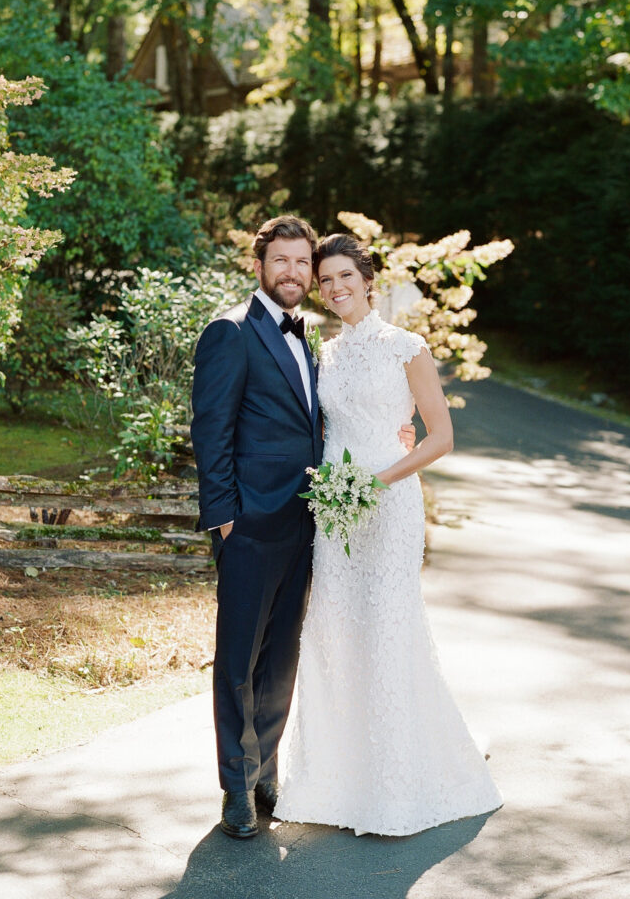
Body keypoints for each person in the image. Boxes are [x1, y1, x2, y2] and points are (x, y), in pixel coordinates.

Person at [190, 216, 415, 840]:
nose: (292, 273)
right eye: (280, 261)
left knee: (281, 656)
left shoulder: (311, 337)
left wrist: (396, 431)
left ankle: (265, 769)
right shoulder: (230, 333)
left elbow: (325, 421)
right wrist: (226, 518)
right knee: (238, 657)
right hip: (250, 526)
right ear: (258, 265)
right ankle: (235, 787)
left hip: (308, 523)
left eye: (301, 263)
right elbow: (210, 432)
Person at [274, 233, 503, 836]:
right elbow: (324, 428)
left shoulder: (407, 346)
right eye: (325, 280)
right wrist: (333, 485)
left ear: (368, 280)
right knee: (335, 631)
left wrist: (379, 478)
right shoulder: (324, 352)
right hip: (336, 508)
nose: (334, 287)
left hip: (390, 500)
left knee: (388, 627)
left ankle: (400, 784)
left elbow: (440, 437)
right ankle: (338, 780)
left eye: (344, 275)